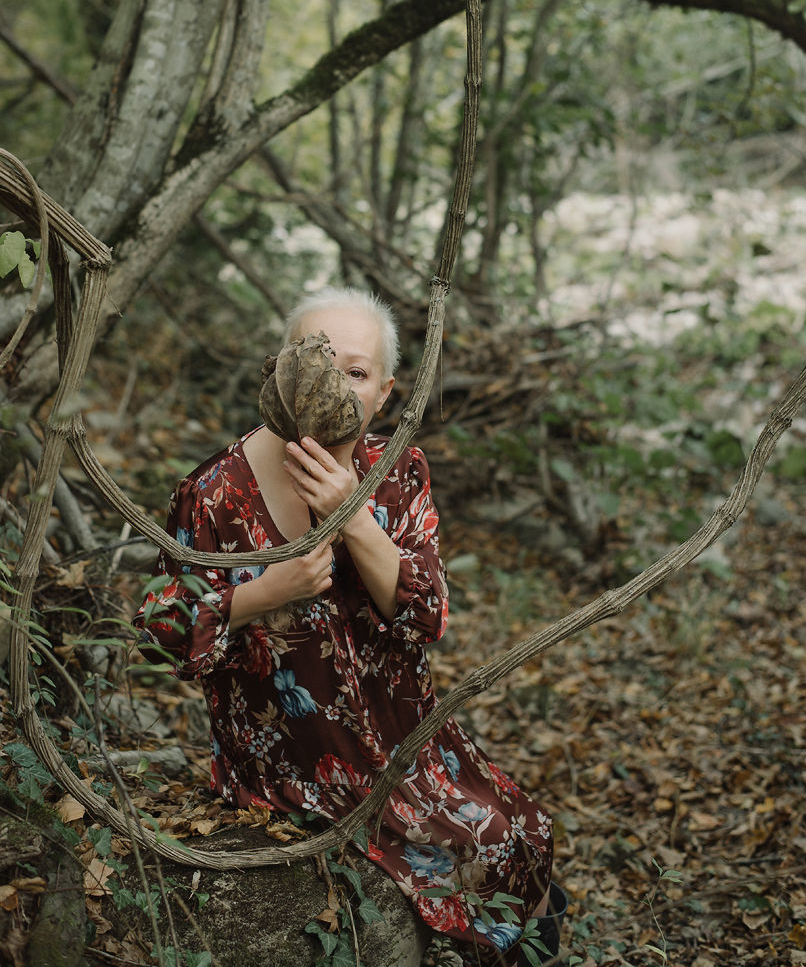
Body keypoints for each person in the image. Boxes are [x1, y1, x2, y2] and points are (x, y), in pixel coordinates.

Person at [134, 288, 564, 965]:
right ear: (280, 372)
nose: (333, 386)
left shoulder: (397, 473)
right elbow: (162, 625)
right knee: (478, 847)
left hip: (405, 736)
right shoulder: (216, 490)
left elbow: (427, 616)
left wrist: (352, 514)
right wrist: (260, 593)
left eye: (356, 373)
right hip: (291, 754)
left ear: (384, 394)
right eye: (316, 361)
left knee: (527, 833)